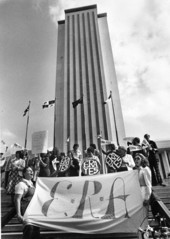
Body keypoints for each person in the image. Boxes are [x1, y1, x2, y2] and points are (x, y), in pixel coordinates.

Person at [14, 166, 40, 239]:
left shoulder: (32, 184)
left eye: (32, 170)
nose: (31, 172)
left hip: (34, 212)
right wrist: (19, 214)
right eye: (29, 170)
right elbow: (17, 199)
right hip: (26, 211)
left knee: (36, 231)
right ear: (24, 173)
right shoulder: (21, 184)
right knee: (29, 230)